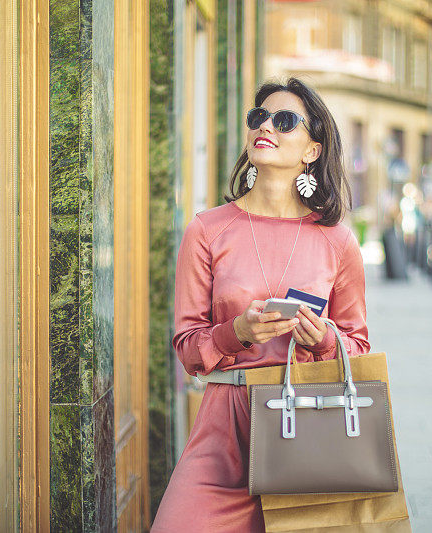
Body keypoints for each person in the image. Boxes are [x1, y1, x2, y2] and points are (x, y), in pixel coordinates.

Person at [151, 78, 371, 532]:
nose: (265, 126)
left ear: (312, 150)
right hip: (224, 427)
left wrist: (324, 340)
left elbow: (359, 347)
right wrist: (238, 333)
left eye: (285, 120)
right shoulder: (207, 230)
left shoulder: (338, 241)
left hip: (309, 424)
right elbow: (189, 350)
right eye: (258, 117)